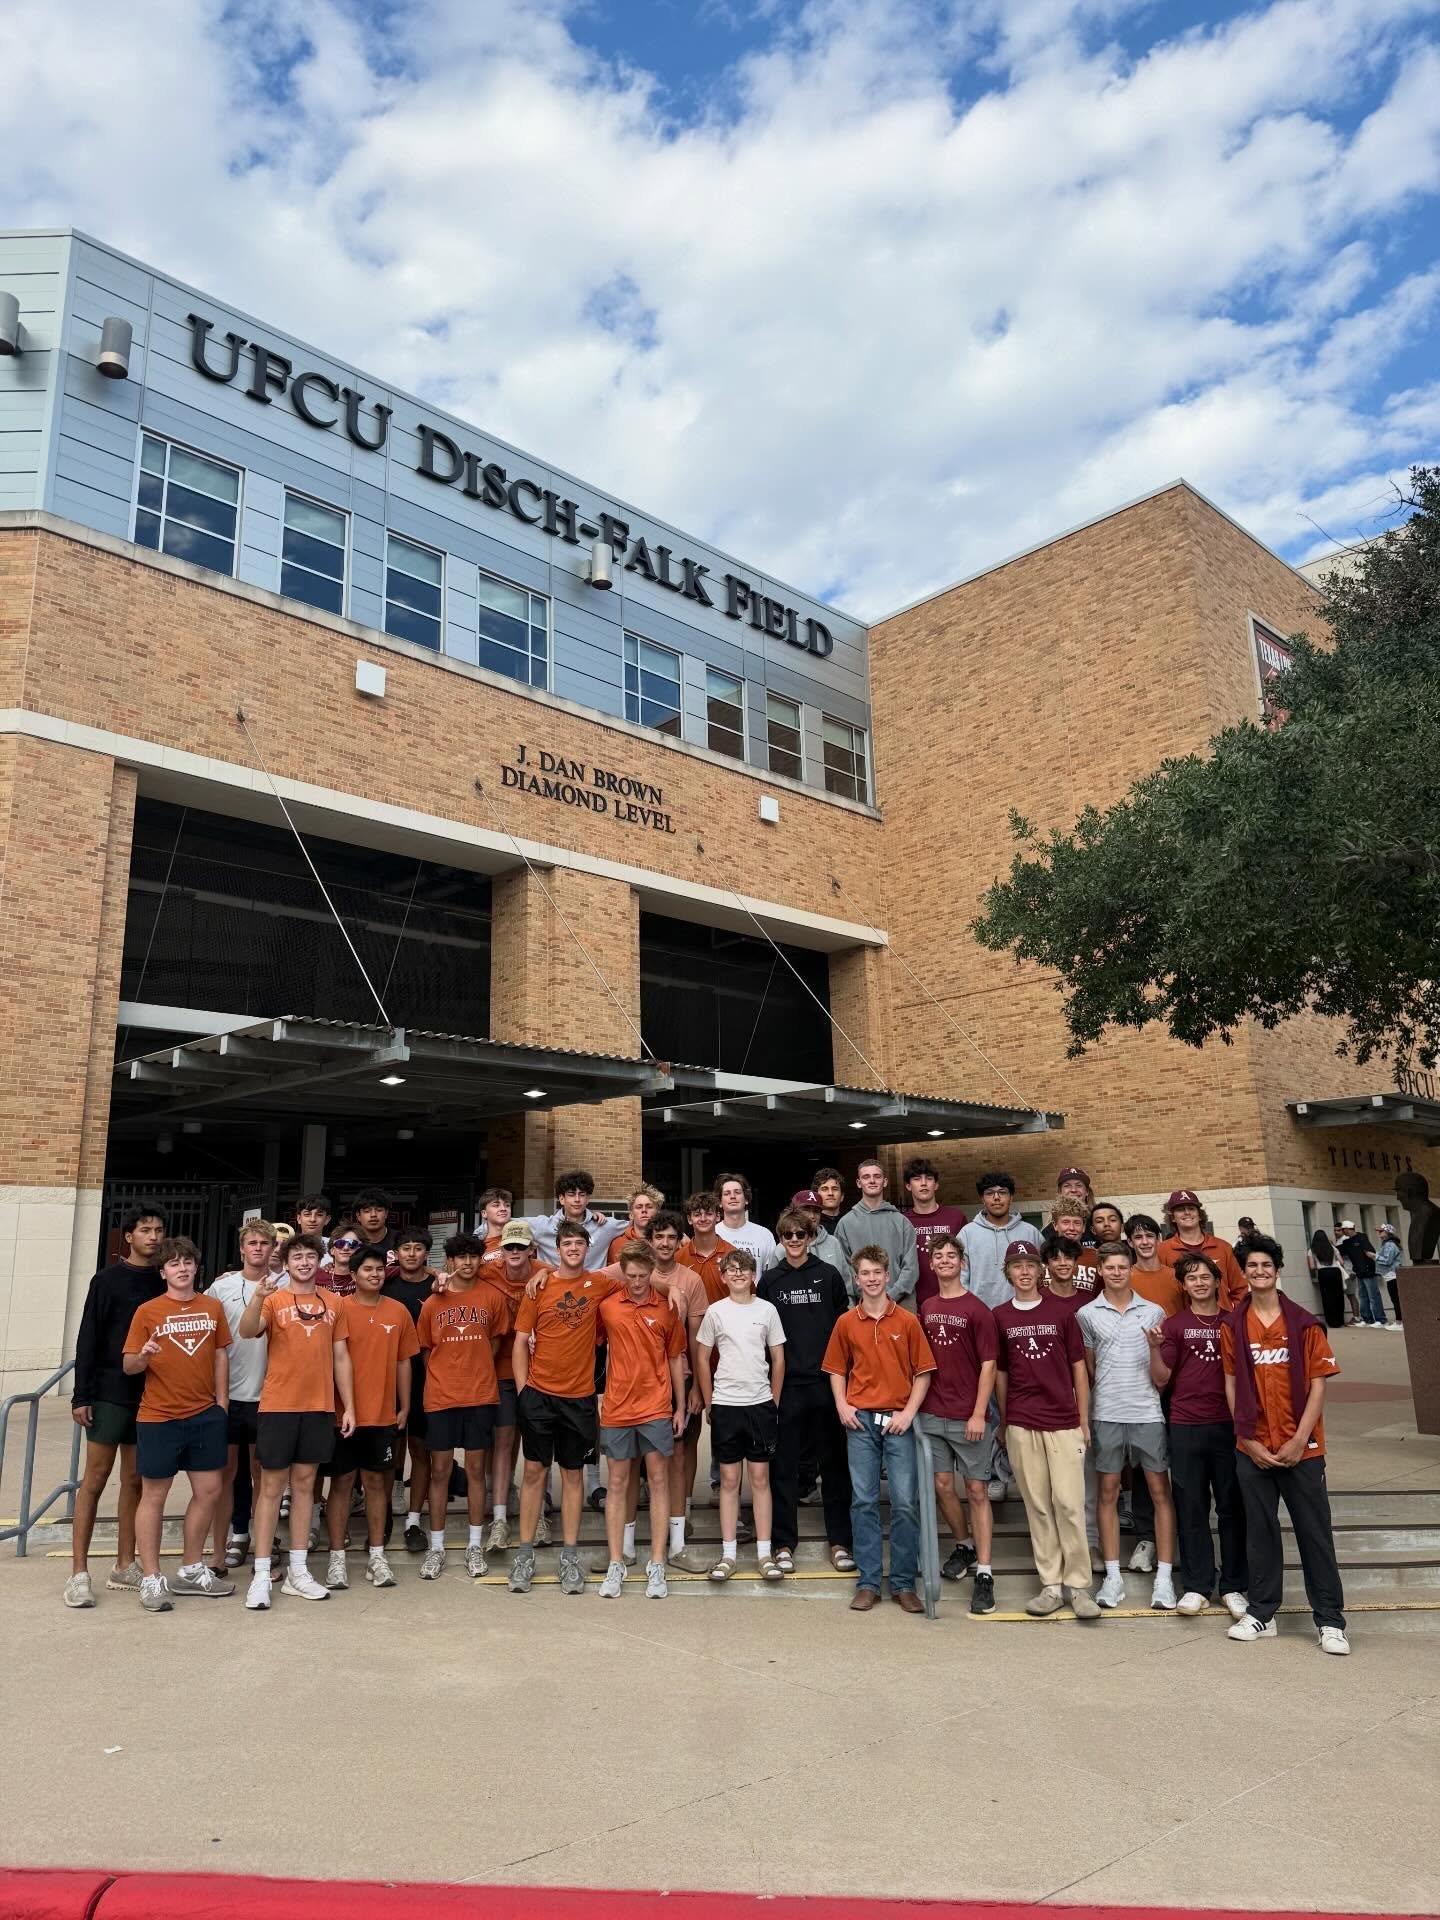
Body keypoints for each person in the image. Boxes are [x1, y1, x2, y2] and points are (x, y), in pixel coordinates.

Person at [1222, 1235, 1348, 1654]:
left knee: (1315, 1534)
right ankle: (1262, 1613)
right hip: (1253, 1447)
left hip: (1303, 1449)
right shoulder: (1233, 1324)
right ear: (1245, 1272)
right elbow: (1232, 1382)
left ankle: (1330, 1621)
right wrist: (1245, 1438)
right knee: (1259, 1533)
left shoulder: (1303, 1323)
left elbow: (1317, 1384)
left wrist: (1300, 1439)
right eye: (1251, 1266)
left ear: (1278, 1270)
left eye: (1266, 1265)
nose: (1259, 1272)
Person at [238, 1232, 356, 1608]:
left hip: (319, 1406)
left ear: (318, 1262)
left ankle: (299, 1570)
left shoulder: (334, 1302)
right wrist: (258, 1297)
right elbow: (247, 1330)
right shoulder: (274, 1298)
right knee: (272, 1488)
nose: (304, 1262)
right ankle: (260, 1573)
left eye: (310, 1256)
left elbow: (341, 1357)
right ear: (286, 1263)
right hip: (278, 1405)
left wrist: (348, 1406)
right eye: (297, 1257)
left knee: (305, 1486)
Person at [121, 1236, 234, 1612]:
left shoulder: (213, 1306)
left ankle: (190, 1568)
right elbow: (129, 1366)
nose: (182, 1268)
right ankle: (152, 1578)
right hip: (159, 1416)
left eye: (188, 1262)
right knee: (154, 1494)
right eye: (174, 1264)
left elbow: (220, 1354)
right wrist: (144, 1355)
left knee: (210, 1490)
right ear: (164, 1271)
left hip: (204, 1414)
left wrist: (221, 1403)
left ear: (196, 1266)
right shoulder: (148, 1311)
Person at [65, 1203, 168, 1608]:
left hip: (152, 1396)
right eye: (145, 1229)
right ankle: (78, 1572)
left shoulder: (165, 1280)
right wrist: (81, 1395)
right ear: (129, 1236)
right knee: (94, 1479)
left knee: (136, 1481)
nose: (154, 1236)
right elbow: (88, 1337)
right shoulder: (106, 1280)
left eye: (159, 1229)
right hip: (109, 1393)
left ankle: (126, 1563)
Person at [822, 1246, 934, 1614]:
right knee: (864, 1500)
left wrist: (908, 1413)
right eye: (864, 1273)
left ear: (887, 1276)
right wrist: (842, 1405)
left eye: (877, 1273)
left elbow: (923, 1373)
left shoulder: (906, 1320)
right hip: (861, 1423)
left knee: (904, 1501)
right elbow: (837, 1369)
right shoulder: (846, 1322)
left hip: (898, 1420)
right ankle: (869, 1581)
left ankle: (903, 1582)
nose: (871, 1279)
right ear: (856, 1278)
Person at [510, 1223, 620, 1594]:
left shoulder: (601, 1283)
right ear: (557, 1248)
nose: (573, 1248)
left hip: (579, 1397)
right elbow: (521, 1340)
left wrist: (675, 1293)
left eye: (579, 1242)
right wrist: (524, 1392)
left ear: (588, 1248)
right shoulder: (540, 1286)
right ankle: (524, 1556)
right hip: (539, 1395)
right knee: (533, 1474)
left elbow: (641, 1275)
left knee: (573, 1476)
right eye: (567, 1243)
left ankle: (570, 1557)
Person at [993, 1238, 1099, 1617]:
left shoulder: (1062, 1312)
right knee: (1038, 1507)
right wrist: (1005, 1421)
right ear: (1007, 1273)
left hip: (1063, 1421)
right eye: (1016, 1266)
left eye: (1030, 1265)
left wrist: (1083, 1419)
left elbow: (1078, 1370)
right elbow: (1001, 1373)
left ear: (1041, 1271)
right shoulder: (1000, 1315)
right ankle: (1051, 1586)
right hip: (1023, 1421)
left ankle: (1080, 1588)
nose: (1024, 1272)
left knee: (1069, 1505)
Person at [1078, 1242, 1178, 1611]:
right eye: (1110, 1267)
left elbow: (1162, 1376)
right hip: (1106, 1412)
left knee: (1159, 1492)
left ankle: (1164, 1578)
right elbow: (1088, 1369)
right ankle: (1113, 1576)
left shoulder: (1153, 1311)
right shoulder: (1087, 1314)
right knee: (1107, 1491)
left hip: (1147, 1412)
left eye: (1123, 1266)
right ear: (1100, 1270)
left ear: (1131, 1269)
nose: (1117, 1272)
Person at [1148, 1251, 1248, 1619]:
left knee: (1232, 1507)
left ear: (1217, 1281)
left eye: (1206, 1276)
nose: (1200, 1282)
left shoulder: (1234, 1322)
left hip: (1228, 1426)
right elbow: (1161, 1380)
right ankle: (1197, 1585)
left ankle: (1235, 1585)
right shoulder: (1174, 1325)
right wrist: (1155, 1348)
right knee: (1191, 1508)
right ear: (1183, 1285)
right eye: (1192, 1278)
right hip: (1186, 1424)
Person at [758, 1208, 853, 1576]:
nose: (794, 1241)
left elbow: (843, 1331)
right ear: (780, 1240)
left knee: (833, 1466)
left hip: (826, 1384)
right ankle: (783, 1544)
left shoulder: (828, 1276)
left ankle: (840, 1541)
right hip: (787, 1386)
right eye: (788, 1236)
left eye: (801, 1235)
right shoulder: (769, 1281)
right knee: (784, 1468)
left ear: (811, 1237)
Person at [415, 1232, 512, 1580]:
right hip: (441, 1397)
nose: (468, 1263)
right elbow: (427, 1348)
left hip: (480, 1395)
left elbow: (497, 1340)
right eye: (461, 1257)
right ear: (451, 1261)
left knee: (474, 1470)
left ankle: (474, 1544)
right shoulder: (432, 1303)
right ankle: (437, 1546)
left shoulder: (492, 1297)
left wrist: (475, 1366)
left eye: (474, 1256)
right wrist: (446, 1373)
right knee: (440, 1471)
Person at [322, 1246, 417, 1591]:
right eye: (367, 1270)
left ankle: (377, 1555)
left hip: (382, 1414)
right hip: (343, 1416)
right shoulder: (337, 1309)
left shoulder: (399, 1311)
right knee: (343, 1484)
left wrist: (404, 1405)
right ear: (354, 1274)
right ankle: (336, 1558)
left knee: (378, 1484)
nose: (375, 1275)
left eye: (379, 1270)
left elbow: (403, 1361)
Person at [595, 1243, 687, 1598]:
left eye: (642, 1276)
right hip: (617, 1408)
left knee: (659, 1480)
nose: (635, 1283)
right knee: (617, 1484)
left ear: (652, 1272)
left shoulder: (666, 1308)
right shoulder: (608, 1306)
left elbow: (676, 1357)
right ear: (623, 1273)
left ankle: (658, 1563)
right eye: (629, 1276)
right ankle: (616, 1562)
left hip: (655, 1407)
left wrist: (680, 1407)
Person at [917, 1233, 998, 1613]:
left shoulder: (978, 1309)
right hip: (933, 1411)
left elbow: (988, 1365)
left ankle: (985, 1571)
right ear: (931, 1264)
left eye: (952, 1255)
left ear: (962, 1263)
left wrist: (980, 1412)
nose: (946, 1260)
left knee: (978, 1490)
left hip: (969, 1415)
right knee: (942, 1485)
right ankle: (963, 1545)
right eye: (939, 1256)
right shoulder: (927, 1306)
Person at [696, 1248, 787, 1582]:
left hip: (760, 1405)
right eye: (731, 1270)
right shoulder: (716, 1312)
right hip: (726, 1405)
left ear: (753, 1276)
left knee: (760, 1480)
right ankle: (729, 1554)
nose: (738, 1275)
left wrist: (773, 1401)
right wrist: (710, 1402)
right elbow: (702, 1358)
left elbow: (778, 1359)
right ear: (723, 1277)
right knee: (730, 1481)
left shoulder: (767, 1310)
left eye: (744, 1270)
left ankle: (764, 1554)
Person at [205, 1218, 276, 1573]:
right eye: (253, 1243)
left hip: (270, 1396)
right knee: (225, 1474)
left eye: (265, 1243)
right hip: (228, 1394)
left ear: (273, 1248)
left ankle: (265, 1543)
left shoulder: (287, 1285)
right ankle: (229, 1543)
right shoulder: (220, 1289)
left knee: (265, 1474)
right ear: (242, 1248)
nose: (259, 1248)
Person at [640, 1211, 710, 1566]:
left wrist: (698, 1386)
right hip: (641, 1380)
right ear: (649, 1240)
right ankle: (636, 1537)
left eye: (671, 1237)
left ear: (679, 1240)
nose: (665, 1243)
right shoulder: (634, 1273)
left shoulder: (692, 1279)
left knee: (679, 1455)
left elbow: (698, 1339)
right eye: (659, 1237)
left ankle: (677, 1541)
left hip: (679, 1379)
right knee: (645, 1457)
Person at [478, 1221, 541, 1551]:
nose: (514, 1252)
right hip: (501, 1368)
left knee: (537, 1442)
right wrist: (440, 1277)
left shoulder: (547, 1272)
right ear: (500, 1249)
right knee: (503, 1441)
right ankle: (499, 1518)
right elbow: (457, 1277)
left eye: (521, 1247)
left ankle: (539, 1512)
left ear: (532, 1249)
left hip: (541, 1372)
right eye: (509, 1247)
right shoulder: (488, 1274)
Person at [382, 1243, 436, 1552]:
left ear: (427, 1254)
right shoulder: (386, 1282)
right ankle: (386, 1512)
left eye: (418, 1249)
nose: (412, 1254)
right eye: (405, 1248)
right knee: (391, 1449)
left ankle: (414, 1520)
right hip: (387, 1378)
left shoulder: (437, 1284)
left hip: (427, 1378)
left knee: (420, 1448)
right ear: (397, 1253)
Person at [835, 1159, 919, 1307]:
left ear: (885, 1181)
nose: (872, 1181)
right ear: (859, 1183)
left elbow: (911, 1269)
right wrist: (868, 1296)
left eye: (877, 1176)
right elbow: (845, 1271)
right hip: (862, 1305)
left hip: (900, 1305)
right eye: (866, 1177)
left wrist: (889, 1296)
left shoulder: (902, 1222)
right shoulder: (845, 1224)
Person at [522, 1169, 627, 1269]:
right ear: (561, 1199)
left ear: (587, 1199)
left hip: (593, 1285)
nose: (577, 1199)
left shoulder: (604, 1226)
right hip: (554, 1285)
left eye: (582, 1195)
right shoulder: (542, 1226)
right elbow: (506, 1222)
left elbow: (638, 1225)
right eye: (571, 1195)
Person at [1159, 1191, 1246, 1306]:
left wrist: (1233, 1315)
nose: (1187, 1213)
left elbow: (1240, 1288)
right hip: (1183, 1321)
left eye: (1191, 1208)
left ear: (1199, 1214)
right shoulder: (1163, 1250)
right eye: (1180, 1209)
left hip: (1221, 1321)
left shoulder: (1223, 1247)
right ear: (1173, 1218)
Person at [959, 1172, 1032, 1309]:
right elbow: (960, 1278)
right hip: (979, 1314)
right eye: (990, 1193)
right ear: (982, 1199)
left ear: (1011, 1198)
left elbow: (1043, 1274)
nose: (996, 1197)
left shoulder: (1030, 1233)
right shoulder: (967, 1234)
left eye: (1002, 1192)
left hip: (1024, 1313)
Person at [901, 1158, 968, 1307]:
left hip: (954, 1301)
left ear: (936, 1185)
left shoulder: (956, 1217)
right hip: (915, 1305)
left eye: (929, 1179)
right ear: (908, 1186)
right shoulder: (902, 1222)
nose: (923, 1183)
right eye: (917, 1179)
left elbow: (967, 1261)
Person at [765, 1189, 845, 1276]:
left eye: (816, 1211)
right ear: (794, 1212)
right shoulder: (783, 1247)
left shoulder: (833, 1243)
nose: (812, 1216)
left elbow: (845, 1281)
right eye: (806, 1210)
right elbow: (772, 1283)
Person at [679, 1191, 735, 1301]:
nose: (703, 1219)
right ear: (689, 1219)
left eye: (709, 1213)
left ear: (718, 1216)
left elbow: (747, 1296)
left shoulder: (733, 1254)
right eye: (697, 1214)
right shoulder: (679, 1257)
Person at [716, 1172, 777, 1269]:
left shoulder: (764, 1235)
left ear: (746, 1199)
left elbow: (771, 1276)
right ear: (719, 1202)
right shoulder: (712, 1233)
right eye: (727, 1193)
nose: (732, 1196)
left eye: (737, 1192)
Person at [1126, 1215, 1182, 1316]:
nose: (1145, 1242)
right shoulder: (1125, 1279)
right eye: (1138, 1237)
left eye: (1149, 1236)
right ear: (1130, 1242)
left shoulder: (1176, 1277)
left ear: (1159, 1239)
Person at [1337, 1221, 1389, 1328]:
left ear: (1347, 1229)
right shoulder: (1347, 1243)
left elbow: (1370, 1253)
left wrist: (1371, 1268)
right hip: (1359, 1273)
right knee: (1363, 1296)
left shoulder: (1361, 1238)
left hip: (1368, 1271)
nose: (1341, 1232)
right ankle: (1367, 1319)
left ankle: (1380, 1319)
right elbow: (1338, 1251)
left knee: (1373, 1296)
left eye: (1342, 1229)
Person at [1044, 1201, 1099, 1288]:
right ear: (1055, 1225)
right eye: (1065, 1222)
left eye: (1077, 1223)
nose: (1071, 1228)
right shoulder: (1041, 1257)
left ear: (1084, 1227)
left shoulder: (1097, 1257)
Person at [1306, 1229, 1347, 1330]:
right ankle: (1340, 1320)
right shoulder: (1332, 1248)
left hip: (1323, 1273)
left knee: (1327, 1297)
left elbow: (1311, 1266)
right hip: (1335, 1272)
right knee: (1338, 1296)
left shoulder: (1312, 1250)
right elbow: (1341, 1262)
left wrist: (1319, 1265)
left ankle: (1331, 1321)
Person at [611, 1184, 664, 1258]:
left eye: (649, 1207)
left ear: (658, 1212)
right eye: (639, 1207)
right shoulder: (618, 1244)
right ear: (631, 1214)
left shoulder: (666, 1242)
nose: (644, 1210)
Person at [352, 1189, 397, 1262]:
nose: (373, 1215)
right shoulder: (350, 1242)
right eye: (367, 1211)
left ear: (386, 1213)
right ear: (358, 1216)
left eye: (379, 1210)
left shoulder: (399, 1239)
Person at [318, 1225, 360, 1295]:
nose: (346, 1248)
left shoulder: (370, 1276)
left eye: (352, 1243)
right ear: (332, 1250)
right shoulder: (315, 1277)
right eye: (340, 1243)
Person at [1376, 1225, 1404, 1325]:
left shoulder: (1390, 1244)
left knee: (1396, 1299)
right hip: (1391, 1275)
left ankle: (1399, 1322)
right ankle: (1399, 1321)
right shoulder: (1389, 1244)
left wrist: (1375, 1256)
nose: (1379, 1234)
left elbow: (1387, 1260)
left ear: (1388, 1232)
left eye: (1381, 1231)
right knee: (1395, 1298)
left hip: (1392, 1274)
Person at [476, 1186, 513, 1252]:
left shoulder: (522, 1239)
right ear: (484, 1213)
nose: (503, 1209)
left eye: (507, 1205)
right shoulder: (476, 1244)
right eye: (496, 1205)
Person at [812, 1168, 847, 1235]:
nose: (830, 1193)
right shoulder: (811, 1222)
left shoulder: (850, 1220)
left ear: (842, 1196)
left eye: (835, 1189)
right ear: (815, 1195)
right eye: (824, 1189)